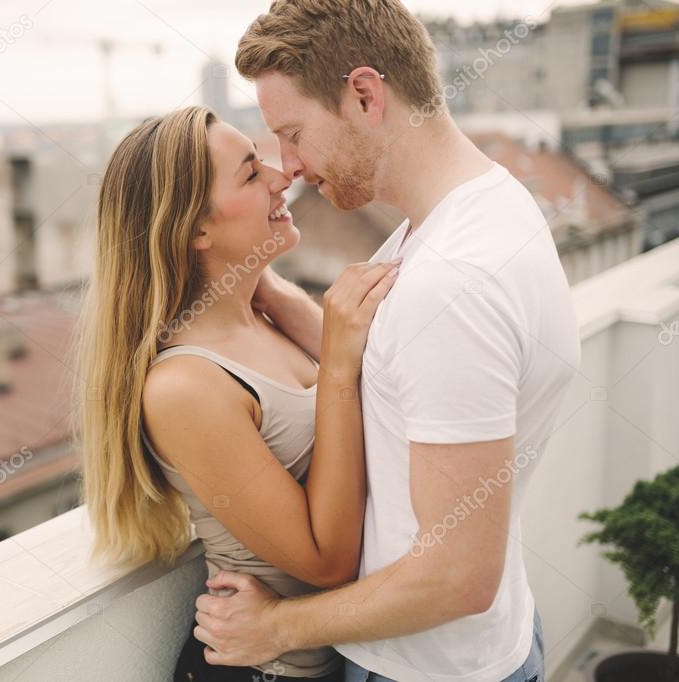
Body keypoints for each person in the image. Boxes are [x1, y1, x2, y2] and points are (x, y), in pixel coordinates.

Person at [192, 2, 581, 681]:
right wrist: (277, 295)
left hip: (425, 665)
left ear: (365, 95)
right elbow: (405, 375)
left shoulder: (452, 284)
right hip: (487, 645)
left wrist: (276, 627)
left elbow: (455, 577)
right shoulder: (481, 206)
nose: (291, 167)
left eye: (293, 133)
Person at [76, 105, 400, 680]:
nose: (282, 177)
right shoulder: (186, 386)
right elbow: (325, 561)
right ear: (196, 229)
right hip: (269, 671)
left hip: (348, 657)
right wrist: (340, 364)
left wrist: (270, 287)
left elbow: (394, 393)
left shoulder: (263, 318)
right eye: (251, 174)